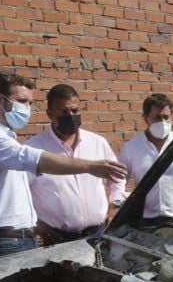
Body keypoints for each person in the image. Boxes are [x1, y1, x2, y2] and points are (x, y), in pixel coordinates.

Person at [0, 72, 126, 261]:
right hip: (6, 242)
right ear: (0, 100)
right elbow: (36, 160)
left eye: (30, 103)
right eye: (22, 101)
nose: (27, 109)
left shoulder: (7, 139)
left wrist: (114, 205)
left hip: (25, 239)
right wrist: (90, 166)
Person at [24, 84, 121, 245]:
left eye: (75, 111)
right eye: (63, 112)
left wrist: (114, 206)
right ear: (49, 113)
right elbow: (19, 192)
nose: (70, 115)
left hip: (98, 233)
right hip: (58, 239)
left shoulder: (97, 143)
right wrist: (37, 224)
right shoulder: (33, 149)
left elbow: (118, 178)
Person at [118, 93, 173, 223]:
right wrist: (117, 203)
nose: (162, 122)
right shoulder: (132, 147)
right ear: (146, 118)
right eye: (157, 117)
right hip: (145, 221)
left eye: (166, 117)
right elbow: (119, 179)